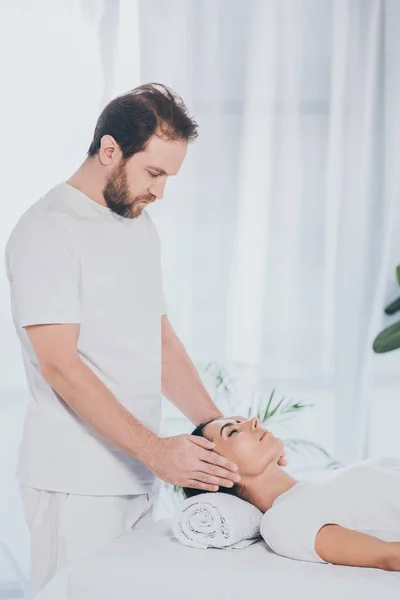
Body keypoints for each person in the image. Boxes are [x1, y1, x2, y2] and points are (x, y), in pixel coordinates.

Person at [4, 83, 275, 597]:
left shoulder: (136, 224)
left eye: (169, 177)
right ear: (110, 150)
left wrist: (218, 431)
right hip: (75, 481)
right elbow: (60, 366)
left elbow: (160, 343)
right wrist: (156, 451)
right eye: (154, 173)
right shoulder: (48, 230)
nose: (160, 192)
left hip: (136, 475)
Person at [183, 415, 400, 572]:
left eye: (241, 421)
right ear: (216, 472)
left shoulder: (317, 483)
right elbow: (386, 555)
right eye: (233, 431)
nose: (254, 420)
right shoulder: (281, 521)